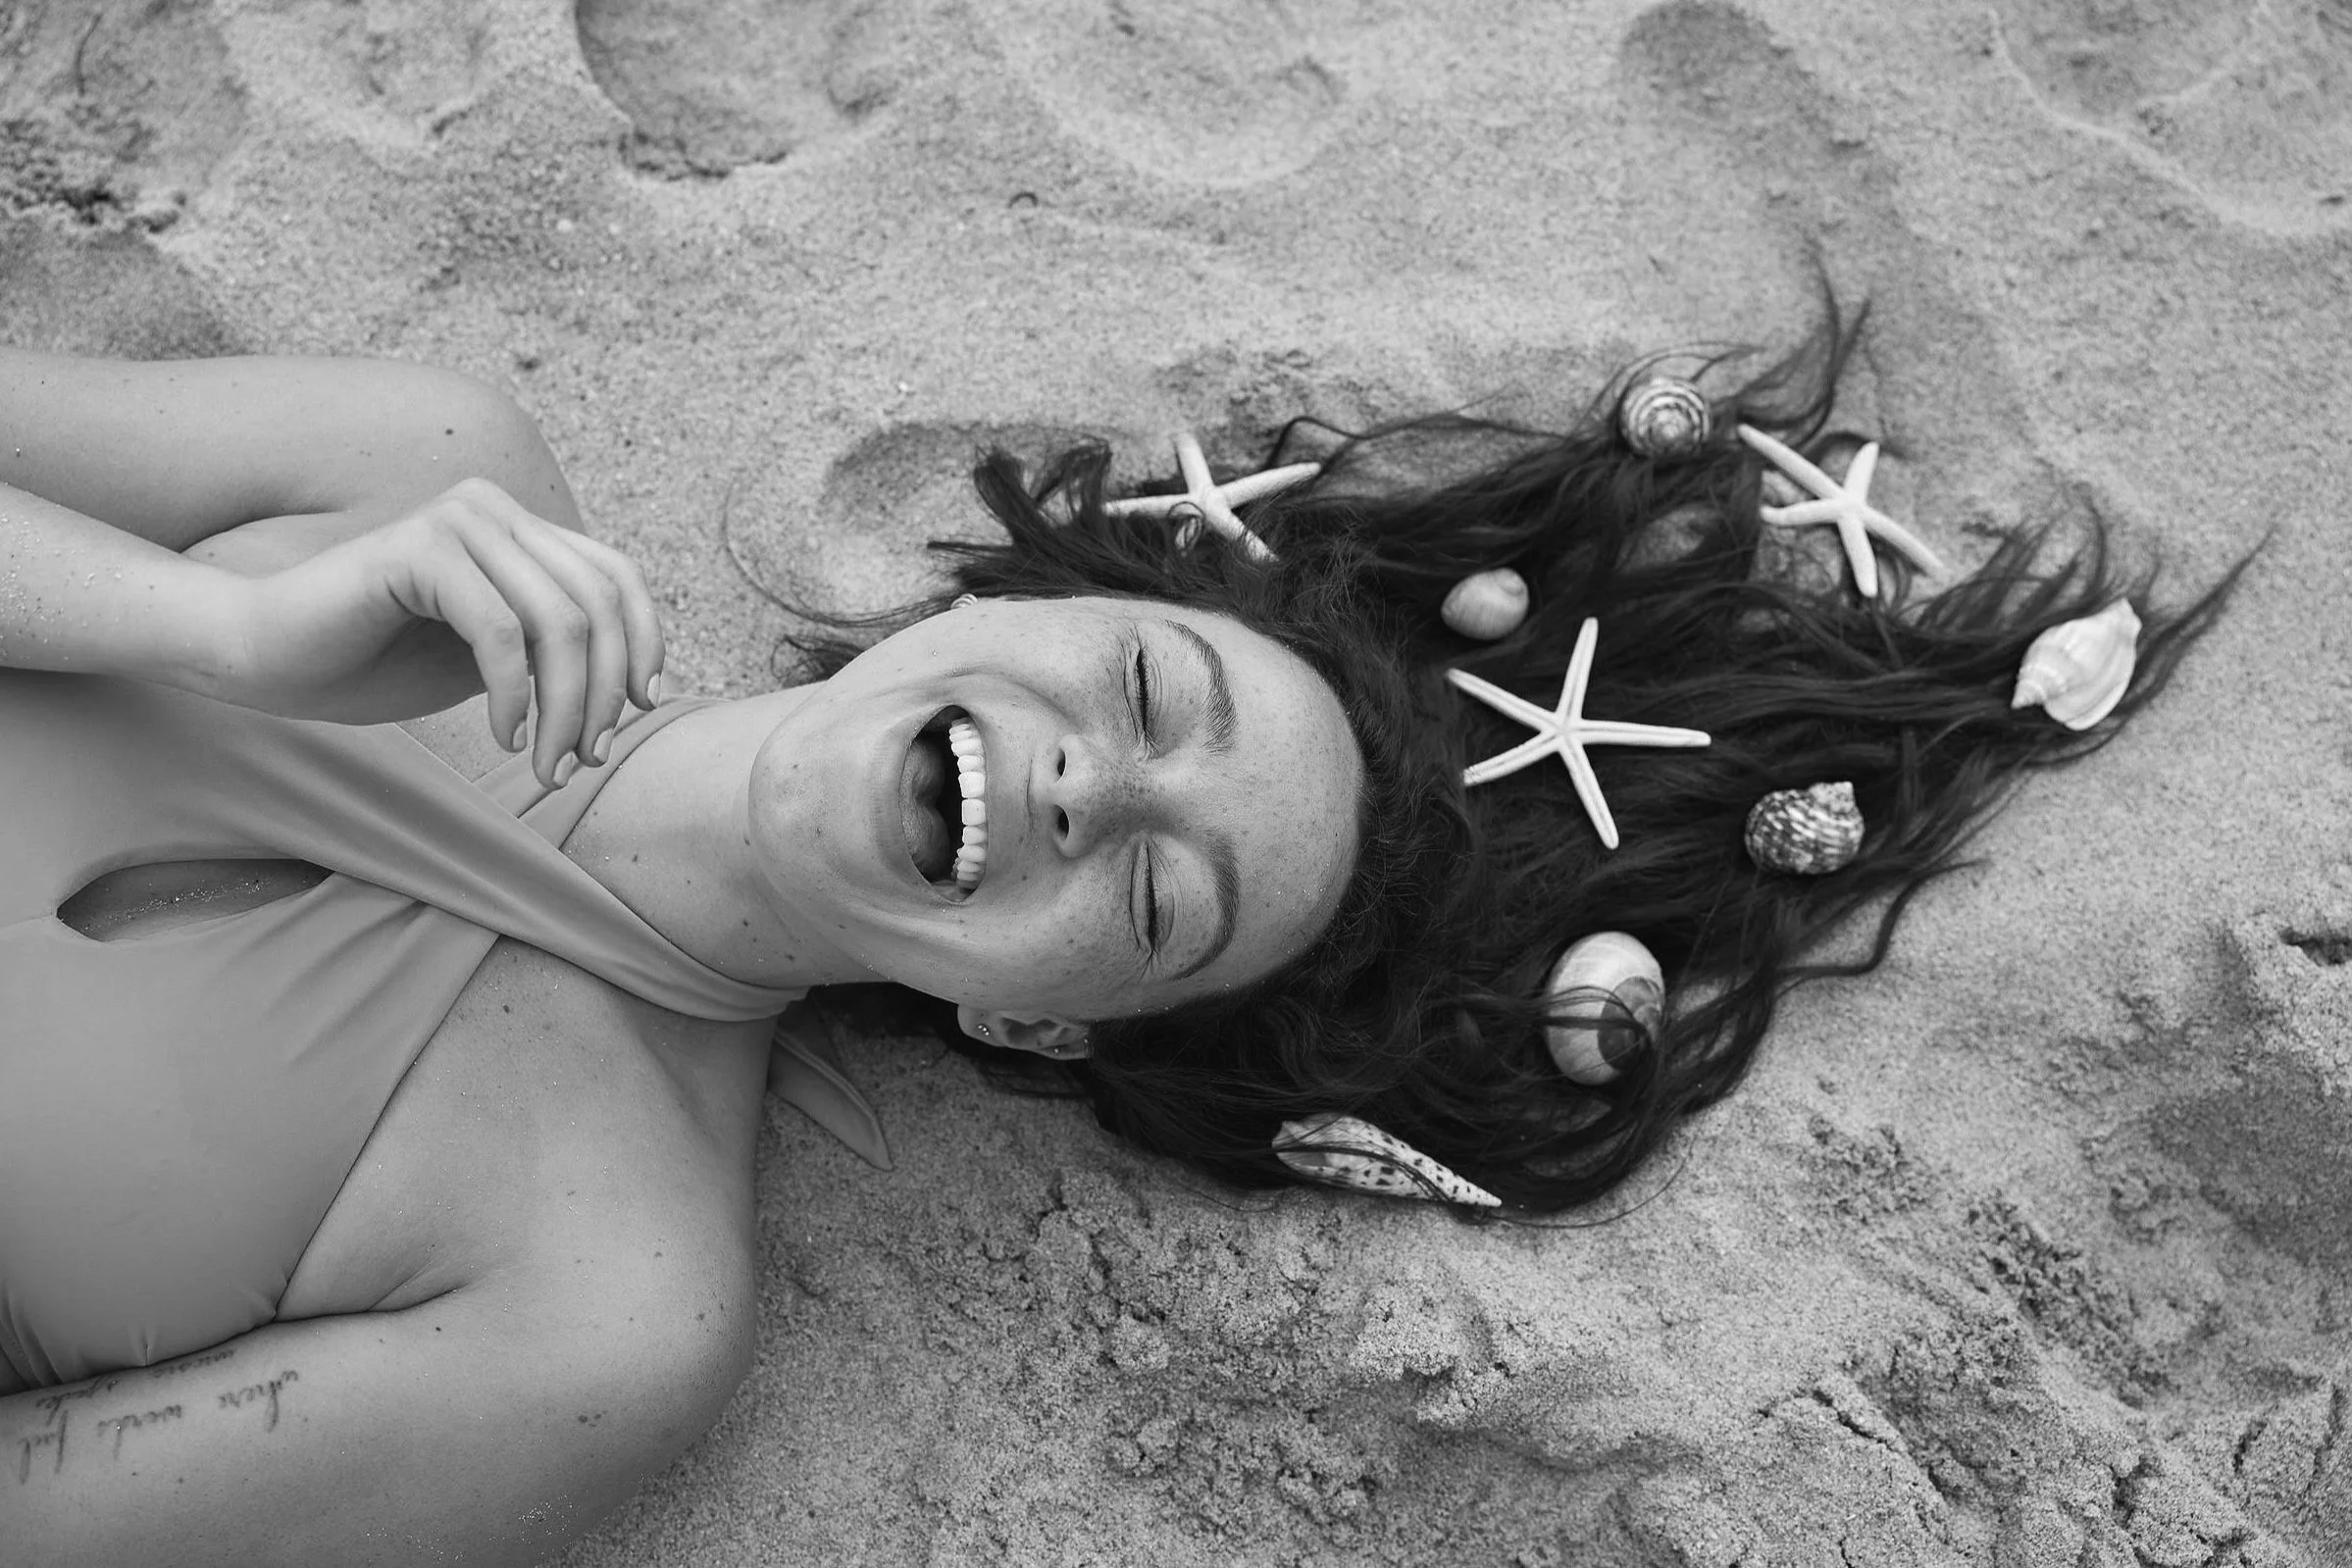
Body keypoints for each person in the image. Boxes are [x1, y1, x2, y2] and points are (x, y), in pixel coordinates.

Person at [0, 319, 2234, 1564]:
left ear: (1038, 1007)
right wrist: (213, 618)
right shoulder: (430, 458)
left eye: (1159, 892)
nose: (1095, 781)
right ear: (1032, 611)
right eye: (1152, 695)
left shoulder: (597, 1296)